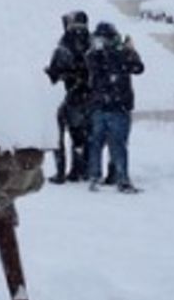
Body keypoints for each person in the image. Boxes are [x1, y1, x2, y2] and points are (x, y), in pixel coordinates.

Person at [85, 22, 144, 193]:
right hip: (118, 107)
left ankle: (95, 177)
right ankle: (121, 179)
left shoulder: (94, 55)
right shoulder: (121, 54)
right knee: (118, 145)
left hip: (100, 106)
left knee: (96, 143)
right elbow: (138, 67)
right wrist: (129, 50)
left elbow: (138, 68)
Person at [44, 10, 93, 183]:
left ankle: (61, 172)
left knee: (60, 138)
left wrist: (56, 74)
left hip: (66, 96)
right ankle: (79, 170)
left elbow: (53, 74)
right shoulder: (91, 43)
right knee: (80, 137)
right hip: (87, 96)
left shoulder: (64, 46)